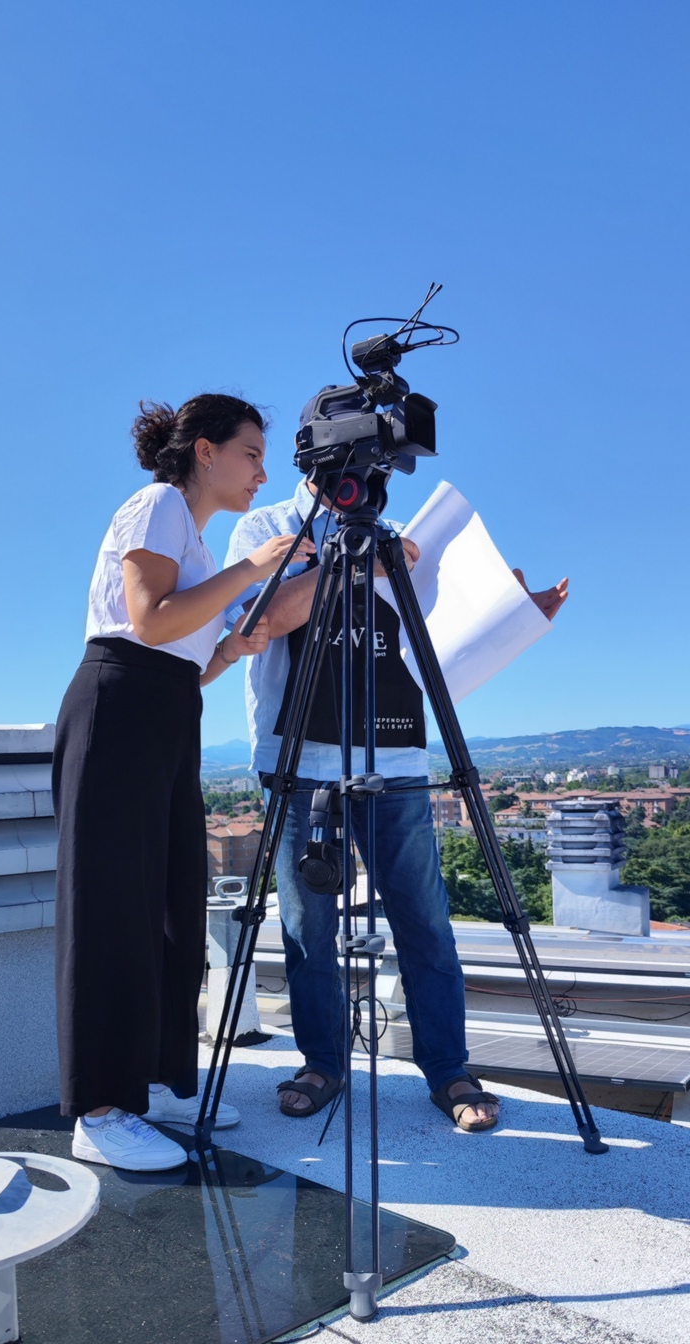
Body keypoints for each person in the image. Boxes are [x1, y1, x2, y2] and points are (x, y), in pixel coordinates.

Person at [224, 458, 567, 1132]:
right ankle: (321, 1064)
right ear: (316, 454)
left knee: (425, 923)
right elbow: (261, 623)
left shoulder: (401, 537)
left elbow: (441, 636)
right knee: (307, 927)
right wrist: (354, 565)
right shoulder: (269, 530)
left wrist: (510, 618)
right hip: (297, 759)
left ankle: (449, 1070)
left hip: (398, 756)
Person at [53, 393, 313, 1172]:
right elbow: (149, 622)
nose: (262, 473)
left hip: (163, 712)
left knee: (173, 908)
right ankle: (100, 1110)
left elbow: (180, 662)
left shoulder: (193, 543)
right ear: (205, 450)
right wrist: (253, 567)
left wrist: (229, 649)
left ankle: (158, 1081)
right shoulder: (160, 504)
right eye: (251, 454)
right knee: (110, 911)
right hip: (117, 710)